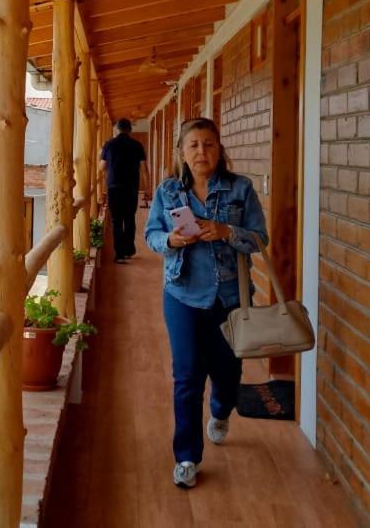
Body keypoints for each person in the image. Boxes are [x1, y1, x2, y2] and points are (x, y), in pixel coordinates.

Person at [144, 117, 268, 489]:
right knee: (187, 376)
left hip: (230, 297)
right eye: (194, 145)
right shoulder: (168, 192)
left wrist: (229, 232)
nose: (202, 152)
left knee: (228, 372)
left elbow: (260, 239)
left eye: (209, 144)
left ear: (220, 149)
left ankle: (221, 410)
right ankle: (187, 456)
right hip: (182, 295)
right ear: (182, 152)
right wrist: (171, 241)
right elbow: (151, 234)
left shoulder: (239, 189)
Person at [99, 118, 148, 263]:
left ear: (117, 129)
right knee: (129, 218)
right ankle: (129, 250)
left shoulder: (109, 144)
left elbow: (101, 168)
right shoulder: (137, 145)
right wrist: (147, 188)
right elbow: (144, 169)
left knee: (116, 220)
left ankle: (119, 254)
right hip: (131, 187)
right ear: (129, 130)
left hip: (114, 187)